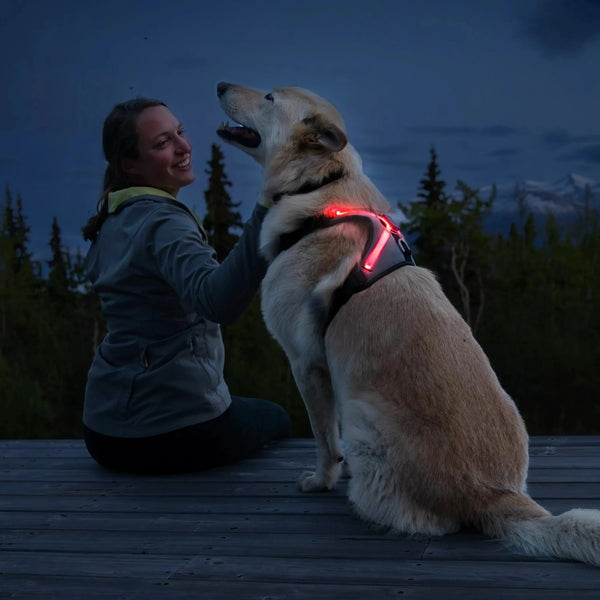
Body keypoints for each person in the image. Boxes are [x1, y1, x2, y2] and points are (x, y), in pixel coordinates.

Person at [81, 97, 291, 474]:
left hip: (102, 432)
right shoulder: (164, 223)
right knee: (276, 416)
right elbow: (218, 302)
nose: (183, 147)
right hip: (177, 431)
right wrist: (267, 209)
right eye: (162, 143)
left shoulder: (111, 220)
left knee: (249, 409)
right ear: (130, 164)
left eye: (180, 132)